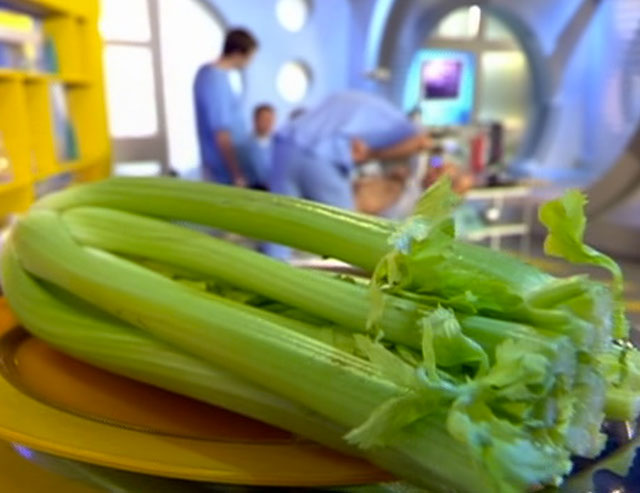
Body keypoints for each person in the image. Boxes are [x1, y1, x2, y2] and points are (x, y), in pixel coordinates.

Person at [266, 90, 432, 258]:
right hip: (319, 156)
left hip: (283, 146)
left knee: (279, 224)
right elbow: (422, 142)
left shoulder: (363, 104)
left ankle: (274, 264)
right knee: (348, 230)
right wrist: (372, 154)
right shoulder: (404, 128)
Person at [193, 28, 258, 186]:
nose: (250, 62)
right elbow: (221, 132)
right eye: (250, 57)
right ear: (237, 54)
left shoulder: (207, 73)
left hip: (222, 169)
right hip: (224, 173)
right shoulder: (215, 81)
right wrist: (237, 173)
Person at [245, 104, 276, 189]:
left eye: (270, 120)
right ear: (255, 120)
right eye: (264, 119)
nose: (268, 123)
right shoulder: (244, 147)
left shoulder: (278, 146)